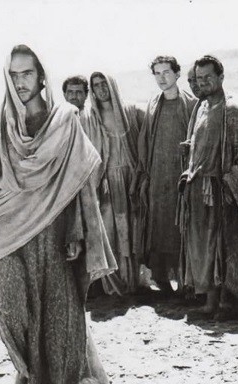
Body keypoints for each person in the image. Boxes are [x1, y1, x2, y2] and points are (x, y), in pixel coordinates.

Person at [0, 44, 114, 384]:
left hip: (53, 230)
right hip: (10, 233)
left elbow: (80, 179)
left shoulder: (65, 120)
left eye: (27, 73)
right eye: (14, 74)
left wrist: (76, 230)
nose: (20, 81)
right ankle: (22, 374)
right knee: (13, 309)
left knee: (52, 312)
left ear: (40, 76)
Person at [178, 55, 238, 319]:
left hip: (222, 194)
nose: (202, 83)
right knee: (205, 249)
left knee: (226, 248)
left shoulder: (232, 109)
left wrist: (228, 182)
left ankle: (229, 303)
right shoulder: (201, 108)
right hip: (199, 192)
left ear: (221, 77)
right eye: (199, 78)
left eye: (208, 77)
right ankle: (210, 301)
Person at [135, 56, 197, 296]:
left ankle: (184, 281)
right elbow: (145, 141)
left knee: (180, 227)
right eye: (157, 73)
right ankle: (161, 278)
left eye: (166, 72)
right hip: (158, 176)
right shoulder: (153, 105)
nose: (162, 78)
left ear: (178, 73)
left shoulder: (191, 104)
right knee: (158, 227)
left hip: (181, 177)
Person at [84, 71, 143, 295]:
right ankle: (113, 283)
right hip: (106, 180)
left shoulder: (130, 111)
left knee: (132, 228)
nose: (101, 89)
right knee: (111, 231)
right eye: (96, 85)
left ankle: (133, 281)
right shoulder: (91, 118)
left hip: (130, 178)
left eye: (104, 84)